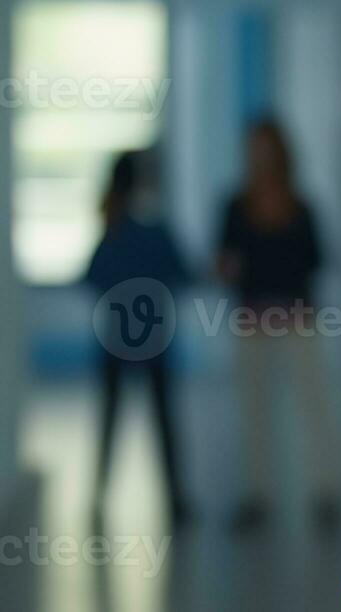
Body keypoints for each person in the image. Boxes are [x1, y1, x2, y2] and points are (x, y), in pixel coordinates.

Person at [215, 117, 341, 532]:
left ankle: (326, 490)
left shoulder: (302, 208)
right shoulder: (235, 207)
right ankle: (257, 494)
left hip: (297, 320)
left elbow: (318, 260)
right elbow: (224, 260)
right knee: (253, 411)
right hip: (252, 320)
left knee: (313, 407)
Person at [85, 148, 190, 524]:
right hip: (154, 344)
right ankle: (176, 500)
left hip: (115, 343)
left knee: (110, 420)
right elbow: (184, 273)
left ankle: (98, 496)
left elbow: (91, 278)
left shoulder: (111, 233)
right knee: (164, 422)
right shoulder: (155, 233)